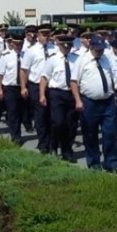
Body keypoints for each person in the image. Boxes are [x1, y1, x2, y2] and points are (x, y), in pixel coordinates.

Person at [72, 35, 117, 172]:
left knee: (110, 133)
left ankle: (111, 163)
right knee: (90, 134)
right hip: (89, 102)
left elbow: (112, 76)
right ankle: (93, 162)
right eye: (98, 49)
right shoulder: (82, 60)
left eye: (102, 49)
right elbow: (74, 82)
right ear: (91, 47)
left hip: (108, 101)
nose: (100, 52)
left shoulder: (106, 59)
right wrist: (78, 100)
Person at [40, 33, 79, 162]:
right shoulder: (53, 59)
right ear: (59, 45)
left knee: (71, 125)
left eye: (69, 46)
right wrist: (42, 95)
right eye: (64, 46)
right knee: (58, 122)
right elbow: (45, 77)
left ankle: (67, 150)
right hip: (57, 93)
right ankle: (53, 145)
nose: (66, 48)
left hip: (72, 94)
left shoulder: (76, 59)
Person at [20, 24, 55, 153]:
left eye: (48, 34)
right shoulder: (31, 50)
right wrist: (23, 87)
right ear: (38, 36)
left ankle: (52, 142)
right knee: (40, 116)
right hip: (35, 86)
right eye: (43, 34)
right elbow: (24, 70)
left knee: (52, 116)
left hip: (52, 86)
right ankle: (43, 143)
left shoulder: (55, 49)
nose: (46, 37)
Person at [0, 34, 25, 144]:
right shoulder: (6, 56)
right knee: (13, 112)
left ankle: (22, 128)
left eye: (21, 43)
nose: (19, 46)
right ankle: (16, 136)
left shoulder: (26, 56)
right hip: (10, 88)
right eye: (16, 43)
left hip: (23, 87)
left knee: (22, 112)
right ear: (12, 43)